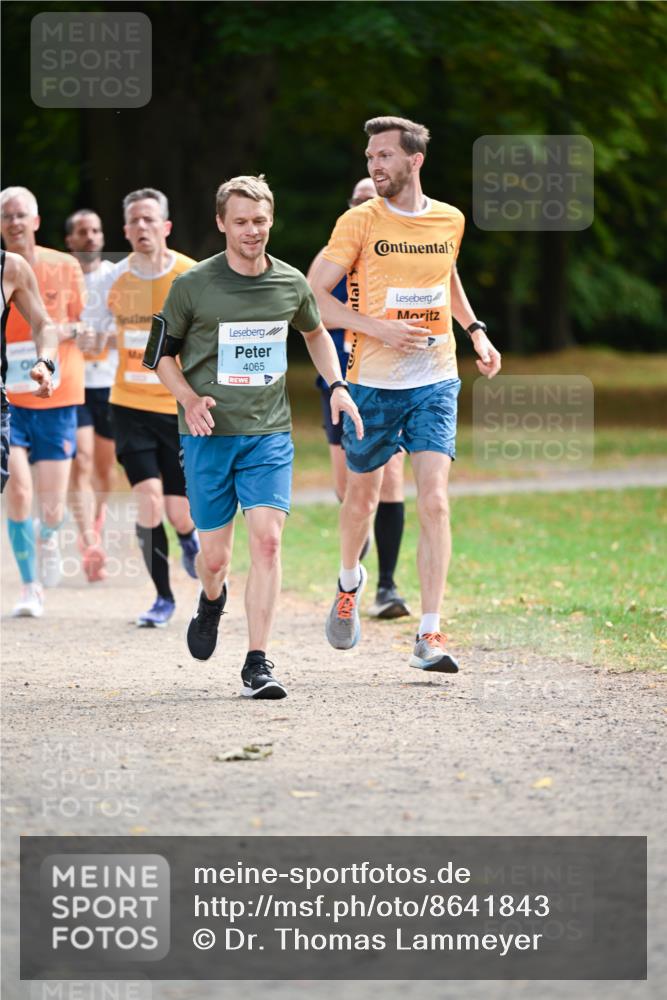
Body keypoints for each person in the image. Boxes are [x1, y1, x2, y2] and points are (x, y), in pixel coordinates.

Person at [154, 174, 363, 699]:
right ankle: (211, 598)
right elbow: (159, 356)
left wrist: (337, 385)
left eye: (260, 221)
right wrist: (188, 398)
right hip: (208, 436)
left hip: (268, 434)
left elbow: (316, 333)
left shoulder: (290, 283)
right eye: (241, 222)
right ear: (222, 223)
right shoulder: (192, 285)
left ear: (272, 220)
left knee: (268, 541)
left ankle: (257, 662)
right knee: (216, 558)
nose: (252, 231)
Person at [309, 117, 501, 672]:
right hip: (371, 382)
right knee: (362, 500)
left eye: (385, 156)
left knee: (434, 499)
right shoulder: (358, 221)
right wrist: (375, 327)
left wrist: (475, 330)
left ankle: (430, 632)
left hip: (436, 379)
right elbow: (312, 297)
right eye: (370, 157)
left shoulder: (450, 219)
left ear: (415, 160)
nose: (374, 165)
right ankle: (349, 584)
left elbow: (446, 277)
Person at [91, 188, 200, 626]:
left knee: (179, 511)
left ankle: (189, 538)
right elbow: (93, 332)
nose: (141, 228)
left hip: (176, 409)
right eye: (134, 221)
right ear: (125, 230)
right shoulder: (111, 280)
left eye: (149, 220)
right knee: (149, 503)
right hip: (128, 406)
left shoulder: (191, 277)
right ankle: (163, 598)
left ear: (166, 227)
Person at [307, 176, 409, 620]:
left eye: (375, 200)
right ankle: (353, 574)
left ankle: (387, 586)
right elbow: (310, 311)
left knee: (391, 481)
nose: (369, 208)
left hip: (392, 381)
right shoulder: (332, 258)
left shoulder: (400, 257)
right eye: (360, 201)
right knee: (349, 488)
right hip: (343, 384)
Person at [1, 186, 87, 617]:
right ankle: (30, 585)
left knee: (50, 507)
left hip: (54, 393)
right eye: (5, 216)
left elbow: (81, 325)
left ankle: (49, 533)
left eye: (20, 215)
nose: (13, 223)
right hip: (7, 401)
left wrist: (46, 359)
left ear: (34, 220)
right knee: (17, 489)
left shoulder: (60, 265)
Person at [65, 209, 118, 582]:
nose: (90, 237)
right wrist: (72, 334)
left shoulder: (117, 277)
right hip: (76, 382)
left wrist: (104, 339)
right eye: (83, 232)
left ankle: (96, 520)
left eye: (96, 231)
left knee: (104, 467)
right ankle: (88, 542)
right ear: (71, 240)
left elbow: (137, 327)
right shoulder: (61, 278)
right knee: (80, 461)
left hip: (112, 383)